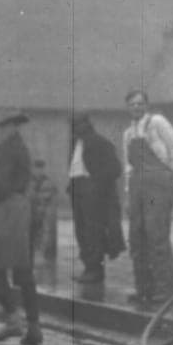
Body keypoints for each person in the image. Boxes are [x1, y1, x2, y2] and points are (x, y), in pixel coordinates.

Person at [0, 109, 43, 345]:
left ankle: (13, 320)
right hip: (20, 208)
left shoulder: (9, 149)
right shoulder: (15, 146)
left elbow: (1, 184)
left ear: (9, 127)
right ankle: (33, 326)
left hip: (6, 209)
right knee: (22, 268)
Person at [121, 89, 173, 308]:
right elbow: (128, 166)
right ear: (127, 107)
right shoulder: (128, 133)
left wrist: (168, 173)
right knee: (137, 238)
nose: (136, 107)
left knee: (157, 237)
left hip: (158, 185)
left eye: (140, 103)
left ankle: (165, 292)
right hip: (137, 186)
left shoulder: (156, 122)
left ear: (146, 105)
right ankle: (144, 289)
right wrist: (128, 195)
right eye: (132, 104)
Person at [67, 113, 125, 284]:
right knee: (81, 231)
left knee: (93, 232)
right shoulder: (75, 144)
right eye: (74, 125)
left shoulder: (100, 142)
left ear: (88, 124)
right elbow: (75, 168)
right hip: (77, 190)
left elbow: (115, 169)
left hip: (93, 192)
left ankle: (95, 270)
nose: (76, 128)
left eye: (80, 124)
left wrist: (96, 183)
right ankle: (88, 267)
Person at [28, 158, 59, 272]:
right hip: (32, 213)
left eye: (41, 168)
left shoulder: (48, 182)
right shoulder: (28, 181)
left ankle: (44, 257)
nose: (39, 171)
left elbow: (51, 198)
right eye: (37, 168)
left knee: (43, 235)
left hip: (43, 213)